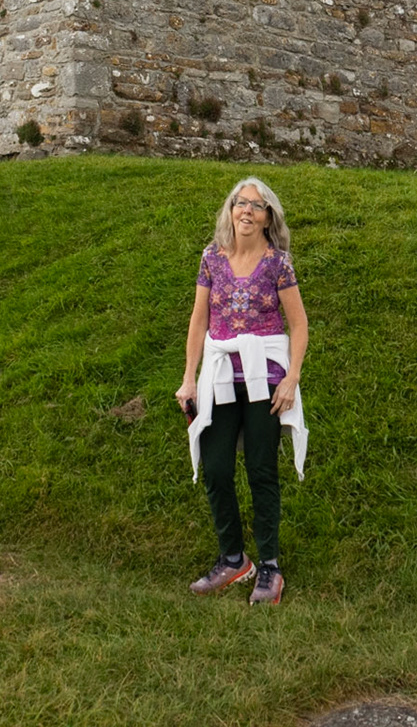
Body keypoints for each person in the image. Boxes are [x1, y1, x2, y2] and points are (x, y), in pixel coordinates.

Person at [175, 176, 309, 606]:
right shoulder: (212, 257)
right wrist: (189, 377)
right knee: (215, 469)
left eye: (257, 205)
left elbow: (299, 324)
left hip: (264, 376)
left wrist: (291, 379)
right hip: (218, 374)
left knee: (261, 469)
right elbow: (198, 321)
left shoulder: (278, 263)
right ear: (230, 211)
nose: (246, 211)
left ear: (269, 217)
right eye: (240, 203)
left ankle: (269, 566)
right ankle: (233, 559)